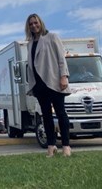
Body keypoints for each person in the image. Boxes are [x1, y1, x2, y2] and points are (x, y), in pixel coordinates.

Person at [25, 13, 72, 157]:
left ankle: (66, 146)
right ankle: (51, 145)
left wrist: (63, 76)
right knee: (46, 116)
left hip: (53, 81)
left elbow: (61, 58)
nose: (34, 25)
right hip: (39, 85)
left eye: (36, 22)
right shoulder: (30, 43)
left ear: (41, 23)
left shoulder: (52, 37)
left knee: (61, 113)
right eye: (31, 24)